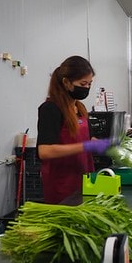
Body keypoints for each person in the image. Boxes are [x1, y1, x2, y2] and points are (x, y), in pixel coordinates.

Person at [37, 56, 115, 204]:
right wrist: (84, 146)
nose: (86, 88)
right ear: (66, 82)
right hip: (62, 182)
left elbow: (87, 139)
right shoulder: (51, 109)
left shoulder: (79, 108)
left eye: (89, 84)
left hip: (84, 176)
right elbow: (44, 151)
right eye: (83, 83)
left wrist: (107, 146)